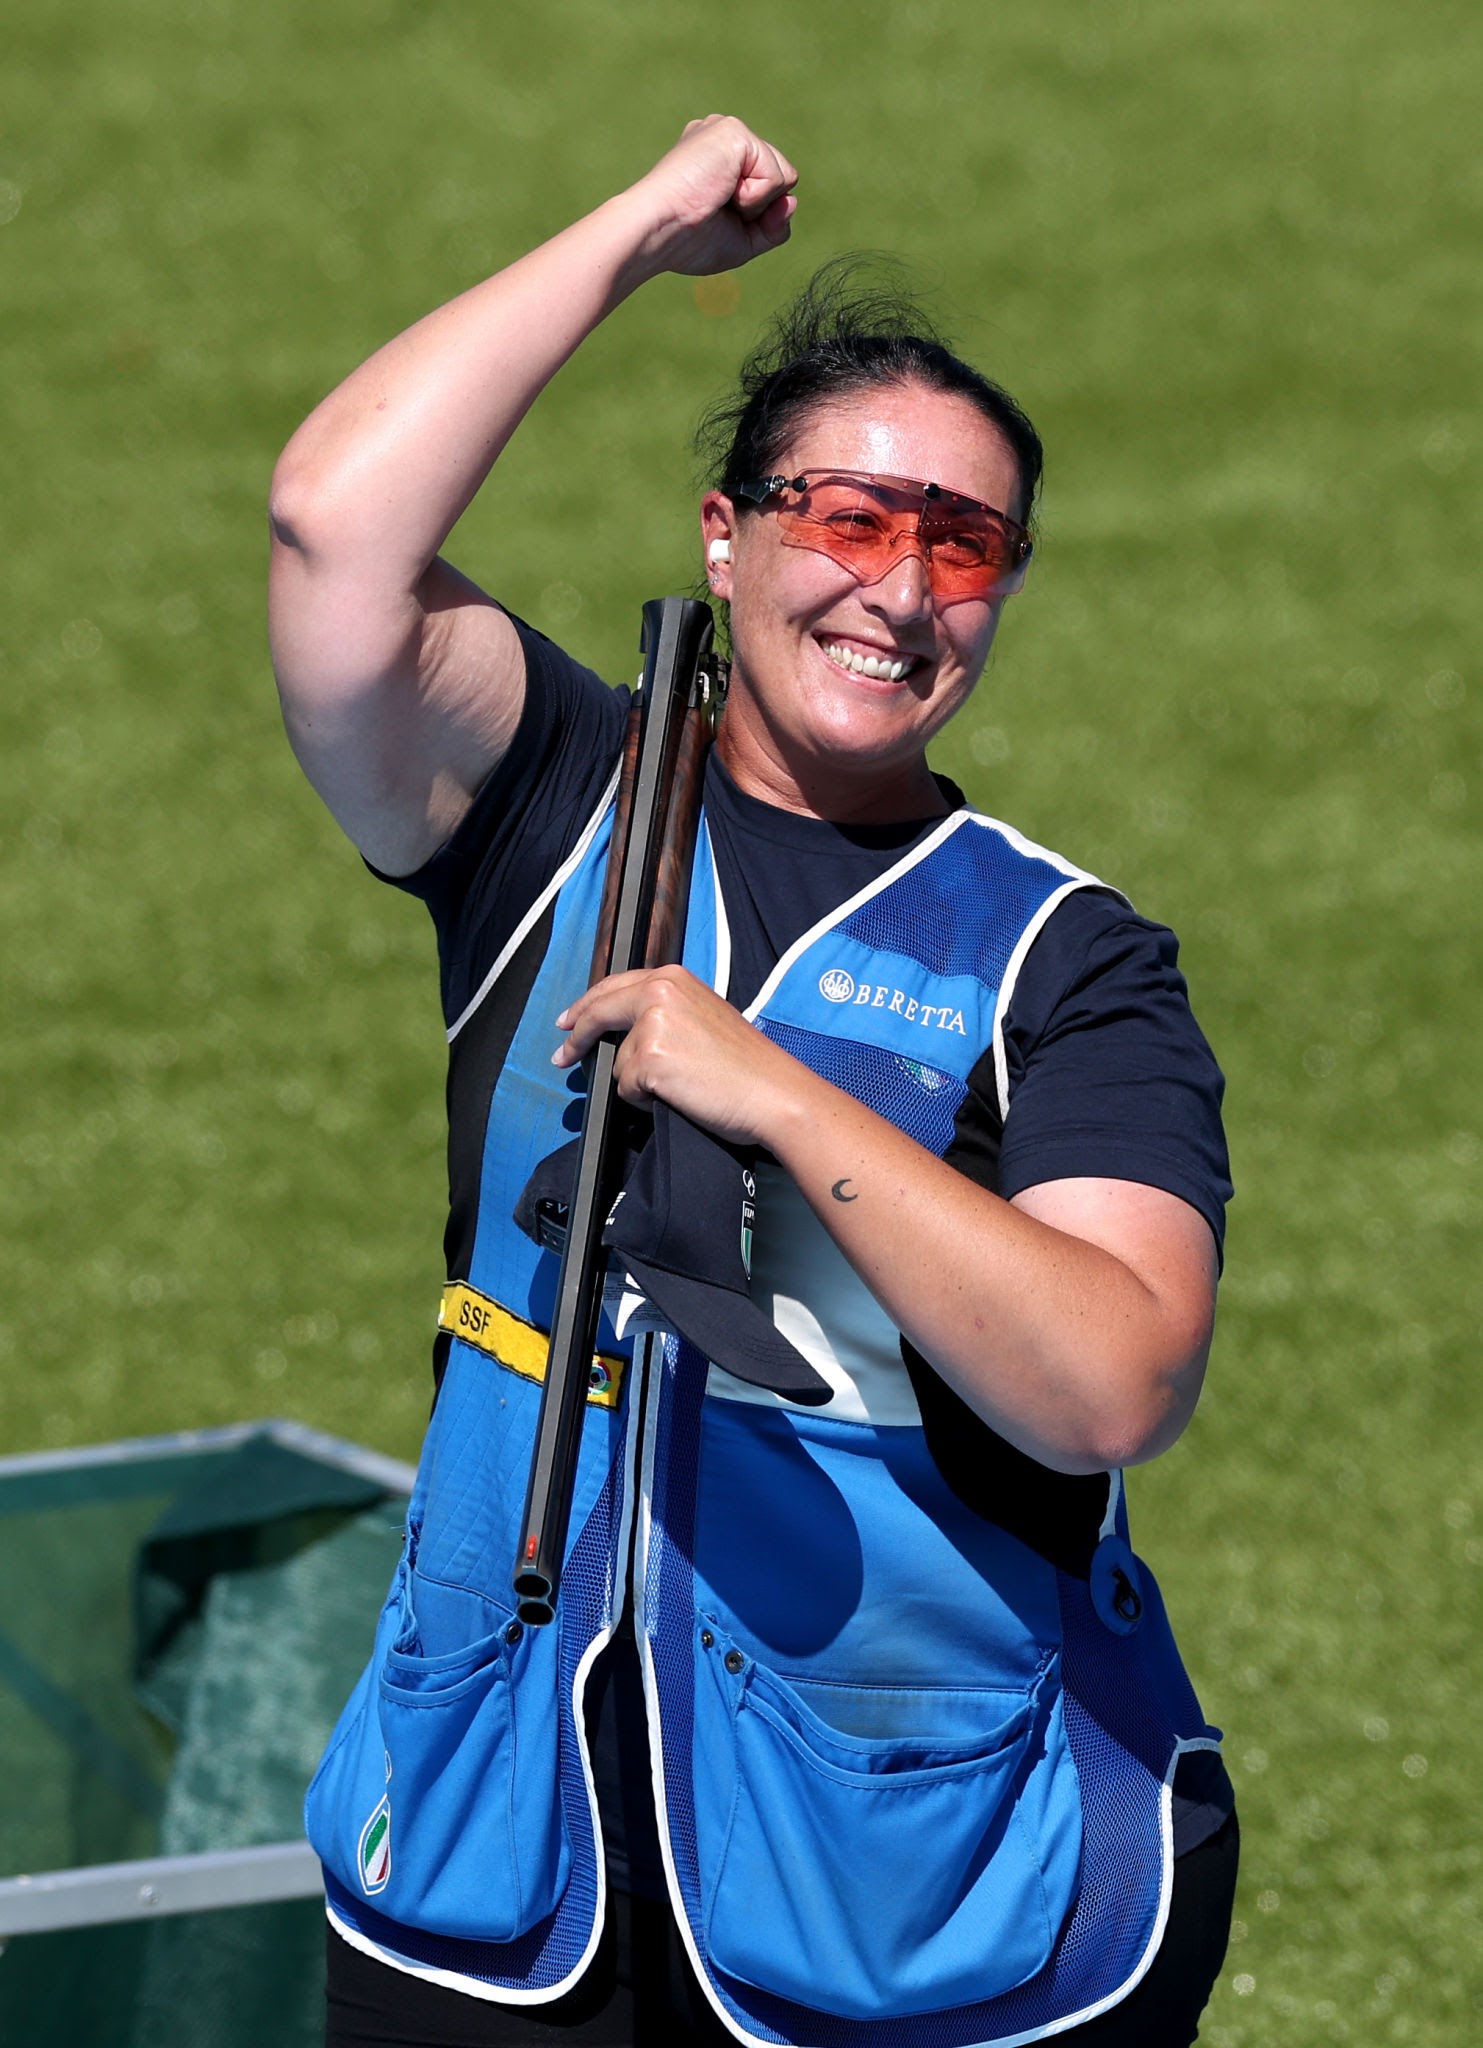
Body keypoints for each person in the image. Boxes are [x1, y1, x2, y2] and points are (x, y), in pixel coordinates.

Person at [269, 116, 1238, 2048]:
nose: (900, 588)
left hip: (912, 1885)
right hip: (491, 1825)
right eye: (845, 516)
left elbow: (1116, 1375)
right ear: (727, 535)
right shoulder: (555, 795)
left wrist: (785, 1097)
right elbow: (332, 531)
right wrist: (635, 235)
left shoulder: (1070, 957)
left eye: (962, 544)